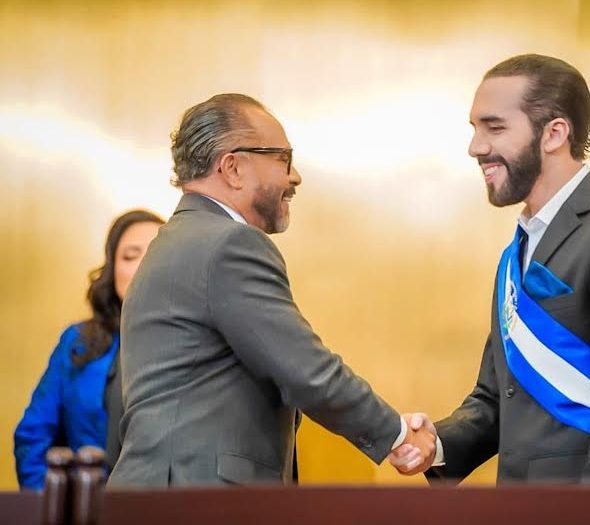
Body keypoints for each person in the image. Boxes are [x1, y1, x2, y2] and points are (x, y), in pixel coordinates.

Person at [107, 94, 435, 487]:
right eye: (283, 159)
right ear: (233, 167)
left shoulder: (175, 241)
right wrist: (397, 436)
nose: (294, 177)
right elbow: (306, 371)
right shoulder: (228, 244)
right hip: (196, 499)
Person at [390, 54, 590, 486]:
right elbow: (496, 398)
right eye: (475, 128)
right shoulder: (517, 251)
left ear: (554, 133)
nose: (475, 147)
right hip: (519, 505)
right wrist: (437, 444)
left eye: (494, 128)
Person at [14, 210, 164, 490]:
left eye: (158, 253)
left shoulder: (200, 343)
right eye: (131, 256)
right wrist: (56, 505)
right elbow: (33, 437)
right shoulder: (77, 342)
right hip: (86, 502)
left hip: (162, 505)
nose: (145, 265)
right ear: (112, 269)